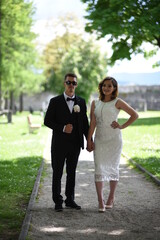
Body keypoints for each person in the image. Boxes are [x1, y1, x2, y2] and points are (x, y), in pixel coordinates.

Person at [87, 76, 138, 212]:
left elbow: (134, 115)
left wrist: (121, 126)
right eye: (104, 85)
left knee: (113, 168)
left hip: (114, 139)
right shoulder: (95, 103)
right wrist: (88, 139)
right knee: (99, 168)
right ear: (101, 87)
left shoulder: (117, 102)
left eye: (110, 86)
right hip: (99, 139)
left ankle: (110, 197)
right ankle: (100, 200)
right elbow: (93, 122)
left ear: (114, 88)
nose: (106, 88)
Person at [44, 73, 89, 212]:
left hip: (75, 144)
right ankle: (58, 201)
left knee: (72, 172)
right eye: (69, 82)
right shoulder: (55, 101)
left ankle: (70, 199)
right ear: (64, 83)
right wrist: (63, 128)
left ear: (76, 85)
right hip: (59, 144)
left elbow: (84, 123)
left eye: (74, 83)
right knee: (57, 173)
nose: (71, 85)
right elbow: (47, 121)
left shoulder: (81, 102)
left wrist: (89, 140)